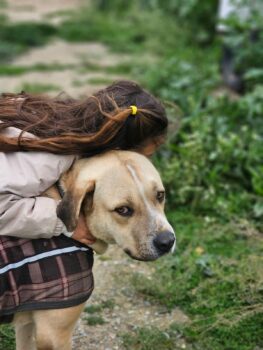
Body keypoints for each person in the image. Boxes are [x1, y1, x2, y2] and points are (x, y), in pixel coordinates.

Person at [0, 80, 168, 245]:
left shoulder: (72, 122)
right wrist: (63, 224)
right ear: (118, 148)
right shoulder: (53, 158)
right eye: (145, 157)